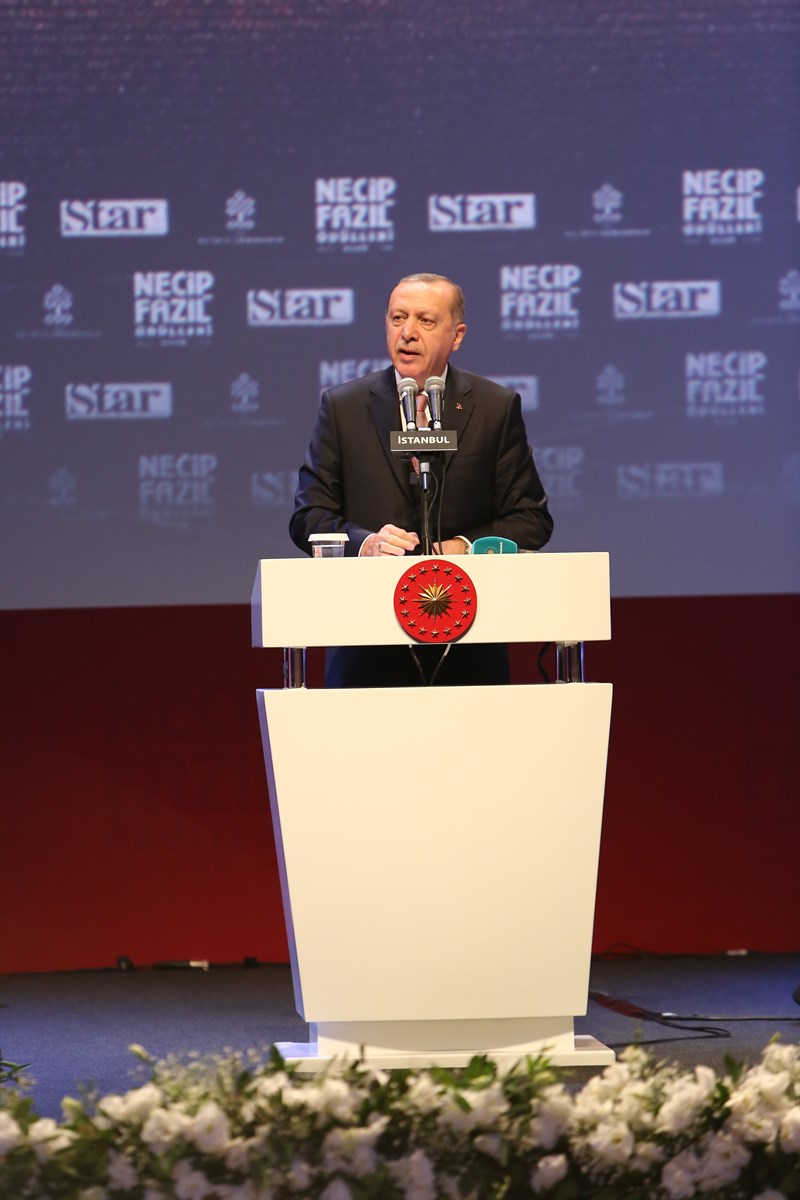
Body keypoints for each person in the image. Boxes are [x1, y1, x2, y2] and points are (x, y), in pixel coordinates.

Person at [290, 272, 553, 686]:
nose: (408, 332)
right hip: (366, 648)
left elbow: (531, 519)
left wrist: (465, 546)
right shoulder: (344, 408)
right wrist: (366, 545)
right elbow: (309, 516)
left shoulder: (494, 408)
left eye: (425, 321)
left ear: (457, 335)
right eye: (398, 318)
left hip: (471, 649)